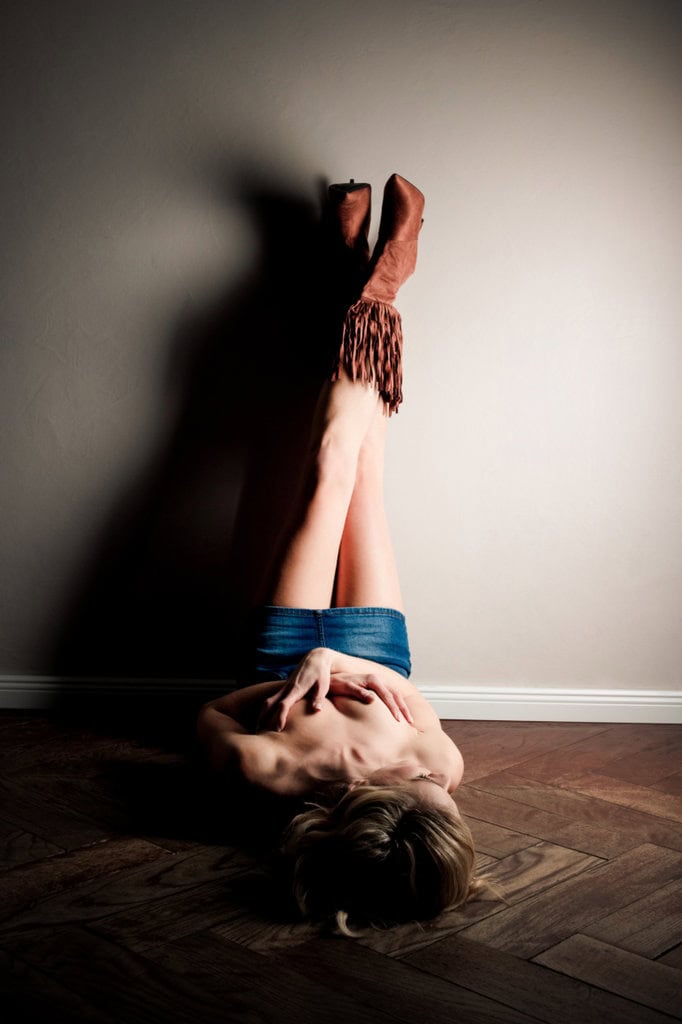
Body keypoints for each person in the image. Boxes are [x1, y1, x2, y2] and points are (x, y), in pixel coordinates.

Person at [197, 174, 487, 933]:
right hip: (375, 646)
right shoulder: (442, 771)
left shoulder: (274, 771)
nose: (431, 779)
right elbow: (414, 707)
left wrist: (290, 681)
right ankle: (367, 274)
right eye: (438, 795)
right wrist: (352, 667)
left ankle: (368, 273)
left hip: (282, 648)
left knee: (329, 465)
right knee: (365, 469)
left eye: (420, 791)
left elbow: (209, 715)